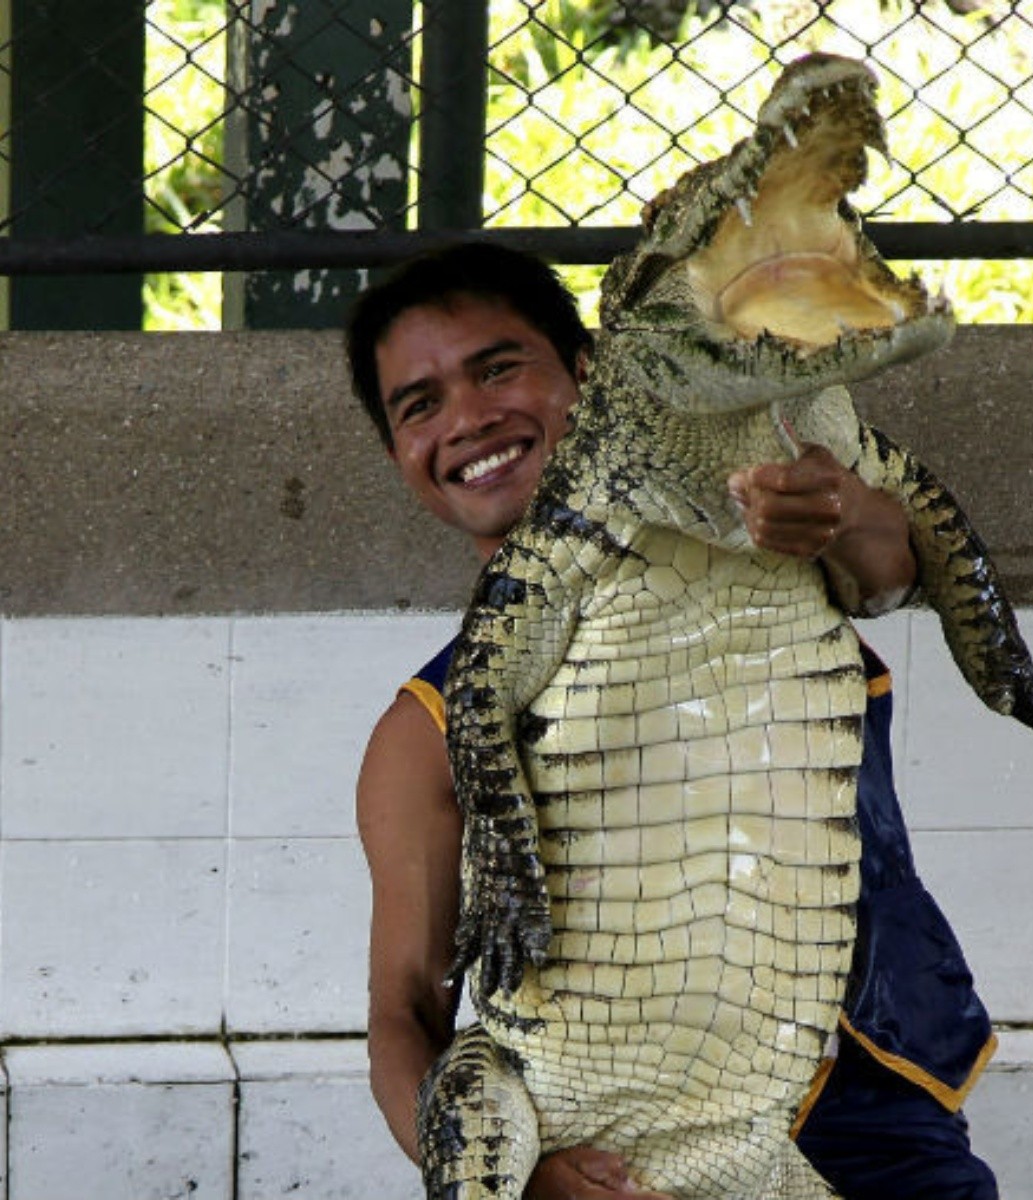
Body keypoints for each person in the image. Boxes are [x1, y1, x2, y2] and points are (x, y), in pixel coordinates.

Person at [348, 241, 999, 1200]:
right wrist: (525, 1184)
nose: (470, 417)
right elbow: (405, 1008)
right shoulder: (428, 731)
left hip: (867, 1102)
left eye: (499, 368)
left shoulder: (771, 554)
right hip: (623, 1150)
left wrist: (831, 506)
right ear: (404, 457)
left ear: (586, 371)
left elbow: (891, 566)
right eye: (421, 404)